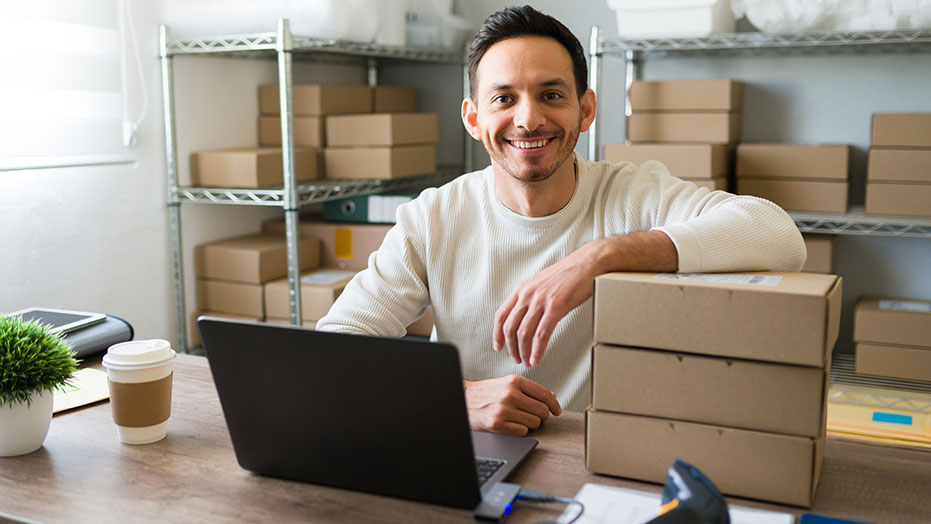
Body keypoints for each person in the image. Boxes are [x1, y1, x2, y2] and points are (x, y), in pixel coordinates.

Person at [317, 5, 806, 436]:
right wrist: (454, 396)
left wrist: (602, 257)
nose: (528, 119)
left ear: (585, 109)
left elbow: (780, 236)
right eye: (503, 98)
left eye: (551, 95)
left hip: (594, 456)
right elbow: (336, 348)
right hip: (464, 447)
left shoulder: (632, 195)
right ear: (472, 119)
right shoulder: (432, 218)